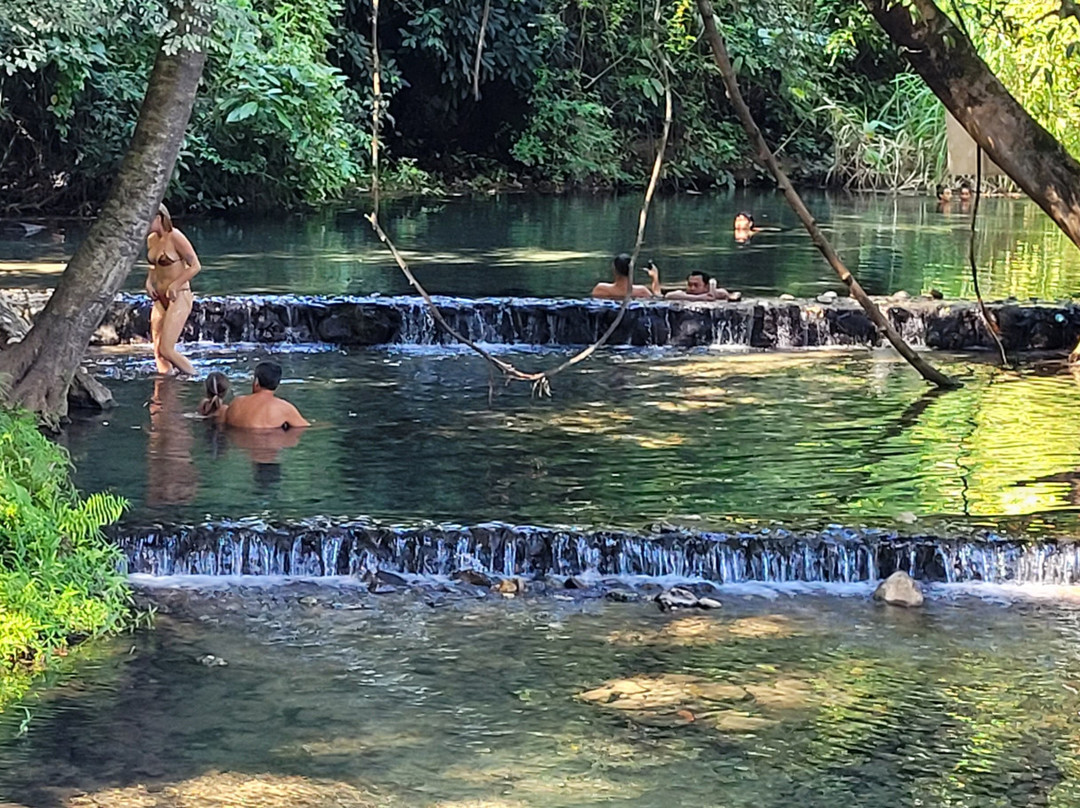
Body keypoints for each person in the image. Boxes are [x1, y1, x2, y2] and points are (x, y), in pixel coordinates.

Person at [146, 203, 200, 375]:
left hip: (179, 296)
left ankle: (197, 378)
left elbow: (195, 265)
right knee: (158, 353)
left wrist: (176, 284)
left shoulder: (175, 237)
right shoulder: (151, 240)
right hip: (159, 298)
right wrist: (148, 282)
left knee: (166, 349)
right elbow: (154, 266)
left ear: (158, 218)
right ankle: (166, 391)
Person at [224, 361, 310, 430]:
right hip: (267, 443)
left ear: (256, 381)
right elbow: (305, 426)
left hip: (239, 445)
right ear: (277, 384)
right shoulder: (284, 408)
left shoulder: (236, 402)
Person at [591, 253, 661, 299]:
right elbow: (658, 299)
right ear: (631, 270)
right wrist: (655, 278)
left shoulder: (601, 290)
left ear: (614, 270)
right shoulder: (642, 292)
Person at [664, 270, 741, 302]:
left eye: (696, 285)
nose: (692, 288)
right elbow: (668, 295)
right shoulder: (682, 294)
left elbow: (735, 295)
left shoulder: (716, 293)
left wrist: (712, 285)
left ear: (706, 286)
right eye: (690, 285)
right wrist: (700, 298)